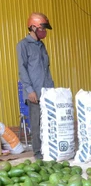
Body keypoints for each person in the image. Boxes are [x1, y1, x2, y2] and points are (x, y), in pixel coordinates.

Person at [17, 12, 54, 160]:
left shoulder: (41, 45)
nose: (44, 32)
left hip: (47, 91)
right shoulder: (23, 45)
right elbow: (22, 69)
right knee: (36, 125)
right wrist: (30, 90)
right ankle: (38, 155)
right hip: (34, 93)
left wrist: (52, 89)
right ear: (33, 27)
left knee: (48, 123)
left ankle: (49, 151)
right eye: (42, 29)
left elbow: (46, 69)